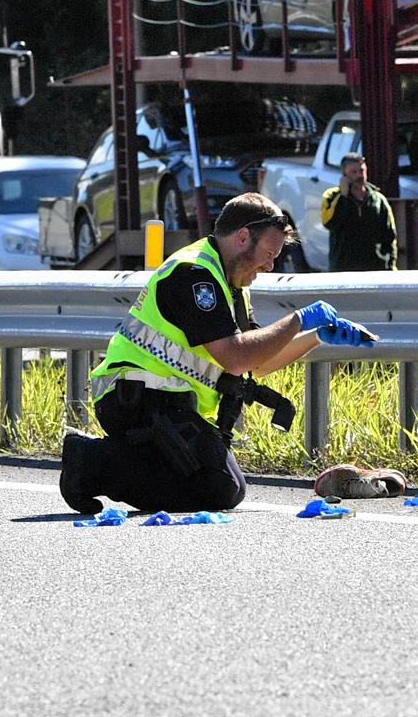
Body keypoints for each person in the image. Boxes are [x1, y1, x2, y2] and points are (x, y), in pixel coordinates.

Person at [60, 191, 376, 515]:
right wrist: (298, 319)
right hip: (134, 397)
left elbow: (256, 363)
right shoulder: (195, 273)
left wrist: (316, 337)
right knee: (221, 488)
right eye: (268, 253)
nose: (269, 265)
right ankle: (90, 462)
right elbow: (236, 357)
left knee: (225, 487)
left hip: (166, 403)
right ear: (242, 238)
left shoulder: (232, 283)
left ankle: (108, 462)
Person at [320, 152, 396, 272]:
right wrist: (343, 196)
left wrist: (391, 266)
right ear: (344, 174)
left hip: (375, 269)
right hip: (343, 269)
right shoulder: (331, 196)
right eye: (353, 172)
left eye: (362, 171)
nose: (359, 175)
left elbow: (390, 235)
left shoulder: (378, 200)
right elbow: (329, 223)